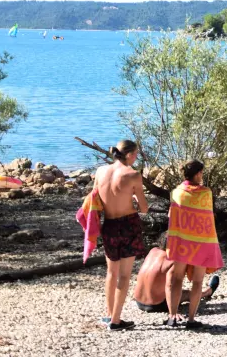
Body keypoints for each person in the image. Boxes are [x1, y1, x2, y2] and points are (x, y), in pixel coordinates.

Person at [94, 139, 148, 331]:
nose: (136, 158)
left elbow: (95, 197)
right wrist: (132, 197)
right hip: (127, 224)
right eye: (135, 154)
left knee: (111, 272)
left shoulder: (100, 172)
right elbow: (144, 208)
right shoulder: (133, 175)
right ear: (129, 155)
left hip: (108, 224)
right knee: (124, 275)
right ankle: (116, 321)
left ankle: (109, 315)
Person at [164, 159, 224, 329]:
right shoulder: (206, 193)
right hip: (201, 242)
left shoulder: (176, 192)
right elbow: (207, 218)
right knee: (197, 282)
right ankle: (191, 319)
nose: (202, 176)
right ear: (197, 174)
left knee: (176, 279)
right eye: (201, 173)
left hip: (181, 241)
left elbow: (172, 216)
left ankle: (172, 317)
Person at [133, 232, 220, 315]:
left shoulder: (153, 251)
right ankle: (208, 291)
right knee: (186, 293)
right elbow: (170, 286)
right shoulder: (173, 261)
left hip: (138, 301)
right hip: (157, 305)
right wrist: (174, 313)